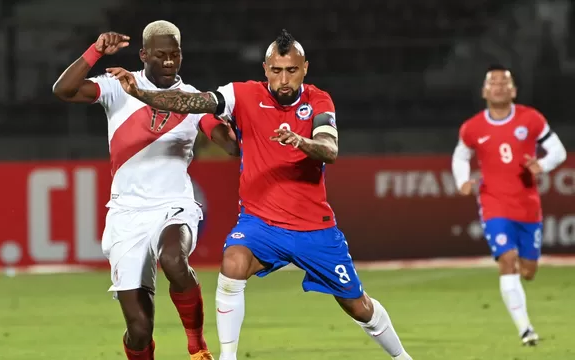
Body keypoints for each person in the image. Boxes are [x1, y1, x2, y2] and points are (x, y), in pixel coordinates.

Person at [108, 29, 413, 360]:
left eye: (292, 71)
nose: (284, 79)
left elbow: (330, 149)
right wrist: (140, 93)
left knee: (358, 305)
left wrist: (301, 141)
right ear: (266, 68)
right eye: (277, 70)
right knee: (233, 262)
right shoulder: (242, 95)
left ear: (305, 68)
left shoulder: (318, 101)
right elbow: (193, 102)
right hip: (260, 224)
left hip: (313, 227)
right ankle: (228, 357)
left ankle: (401, 357)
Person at [52, 20, 238, 360]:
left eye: (175, 55)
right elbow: (63, 90)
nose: (169, 61)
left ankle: (197, 347)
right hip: (126, 215)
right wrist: (96, 51)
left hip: (174, 204)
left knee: (173, 259)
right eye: (161, 55)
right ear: (143, 54)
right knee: (139, 331)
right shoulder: (118, 85)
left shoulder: (193, 100)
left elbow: (229, 144)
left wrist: (237, 128)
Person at [452, 65, 567, 346]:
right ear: (484, 91)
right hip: (493, 203)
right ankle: (526, 330)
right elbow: (460, 156)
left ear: (513, 90)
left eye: (505, 83)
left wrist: (543, 164)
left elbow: (559, 151)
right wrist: (462, 181)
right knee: (506, 260)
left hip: (527, 204)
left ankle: (525, 315)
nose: (499, 87)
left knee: (528, 270)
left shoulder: (532, 119)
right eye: (493, 82)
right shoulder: (472, 127)